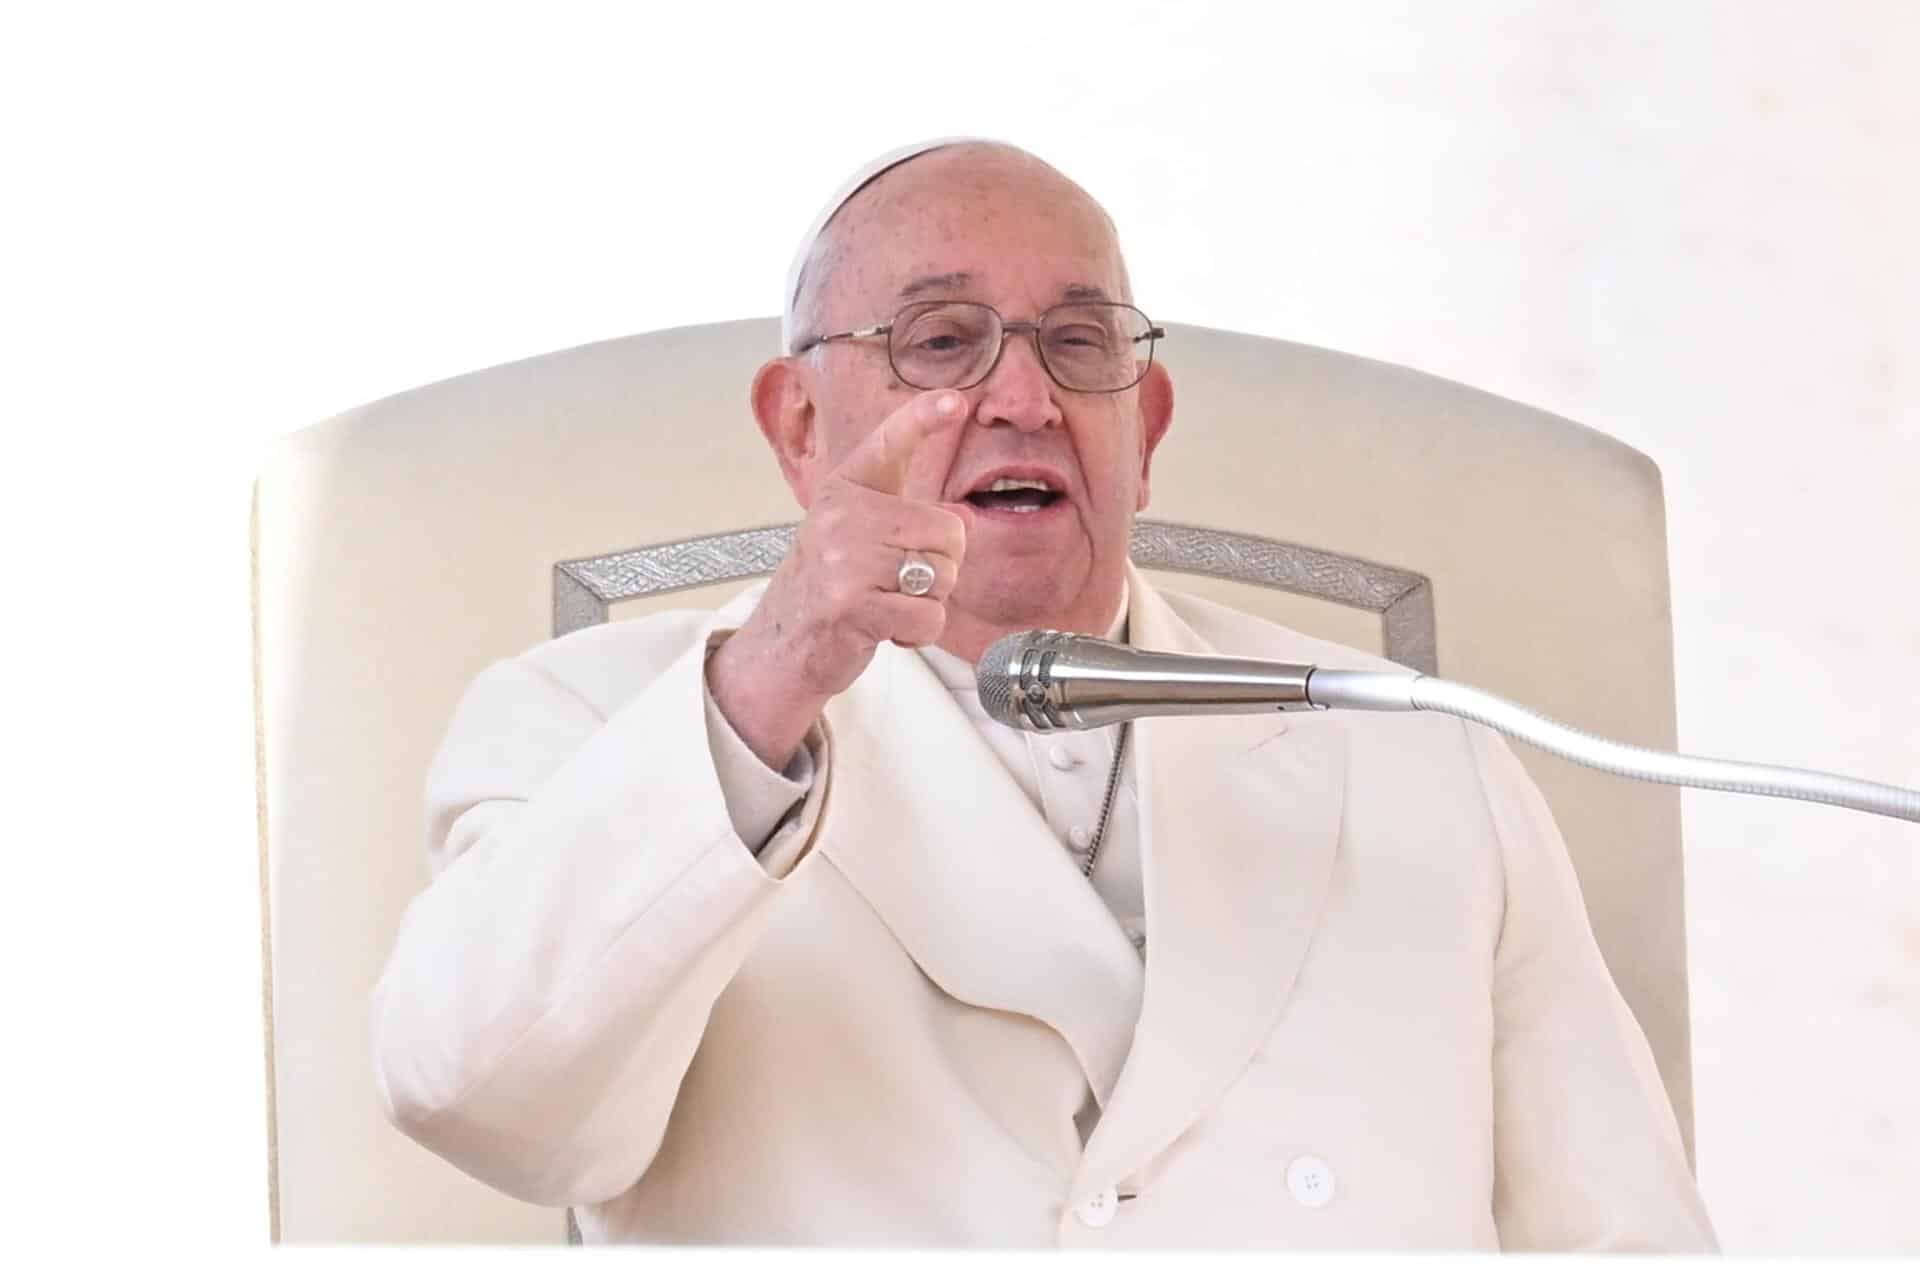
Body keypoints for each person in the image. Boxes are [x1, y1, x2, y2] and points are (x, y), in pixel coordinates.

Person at [370, 139, 1717, 1248]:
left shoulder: (1418, 746)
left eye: (1080, 346)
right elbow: (480, 1103)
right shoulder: (590, 719)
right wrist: (773, 676)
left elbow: (1625, 1248)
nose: (1021, 396)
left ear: (1151, 428)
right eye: (943, 341)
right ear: (798, 428)